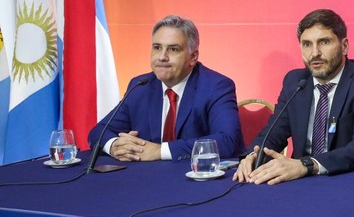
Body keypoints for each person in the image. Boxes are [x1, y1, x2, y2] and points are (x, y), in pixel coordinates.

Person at [234, 9, 354, 185]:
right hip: (299, 183)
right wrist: (253, 155)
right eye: (307, 44)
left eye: (324, 42)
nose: (314, 53)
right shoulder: (295, 81)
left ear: (344, 46)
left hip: (346, 181)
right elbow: (273, 133)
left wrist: (307, 165)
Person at [88, 15, 244, 161]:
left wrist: (159, 151)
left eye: (173, 49)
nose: (162, 57)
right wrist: (115, 145)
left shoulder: (216, 87)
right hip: (148, 177)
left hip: (196, 177)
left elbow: (227, 141)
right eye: (157, 47)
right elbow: (98, 132)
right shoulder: (140, 86)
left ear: (193, 57)